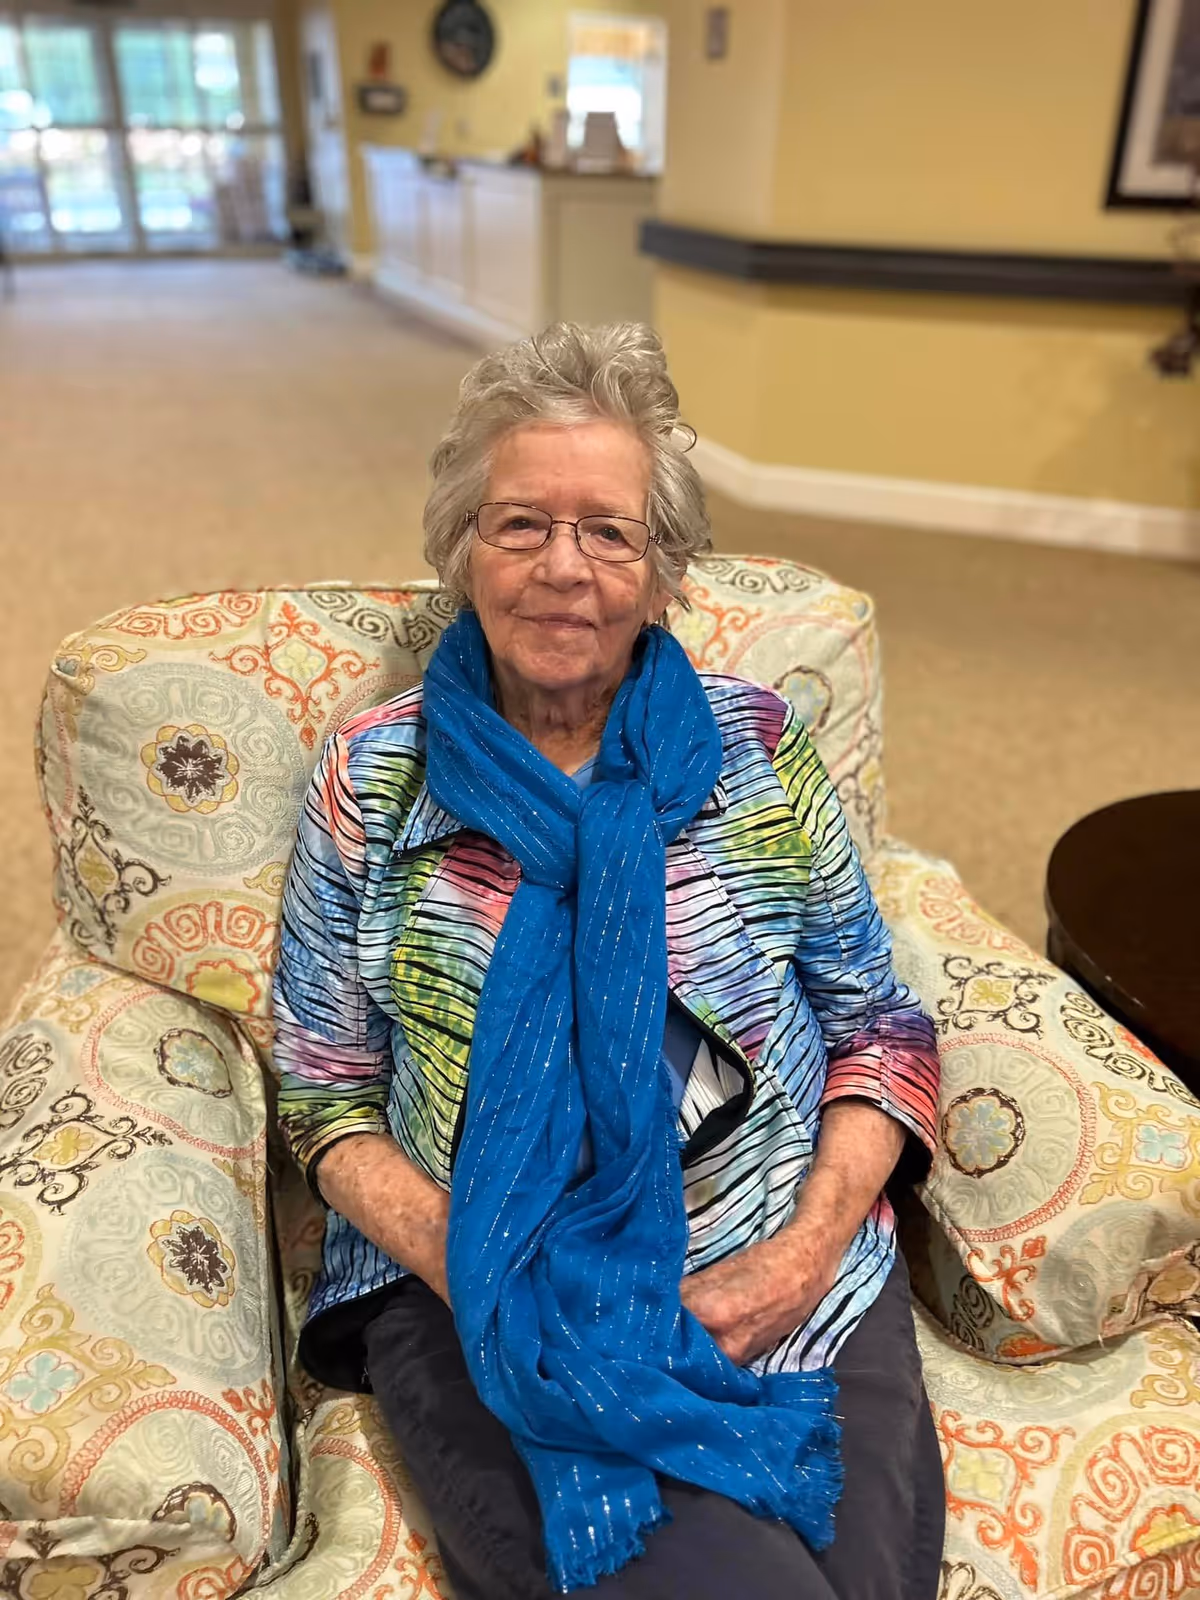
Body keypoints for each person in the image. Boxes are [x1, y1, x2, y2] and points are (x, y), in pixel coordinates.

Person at [271, 322, 945, 1600]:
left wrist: (804, 1251)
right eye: (520, 524)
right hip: (489, 1289)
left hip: (779, 1258)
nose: (563, 567)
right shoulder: (376, 778)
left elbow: (880, 1027)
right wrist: (485, 1262)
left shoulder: (758, 751)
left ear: (663, 570)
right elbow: (323, 1094)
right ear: (462, 548)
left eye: (609, 532)